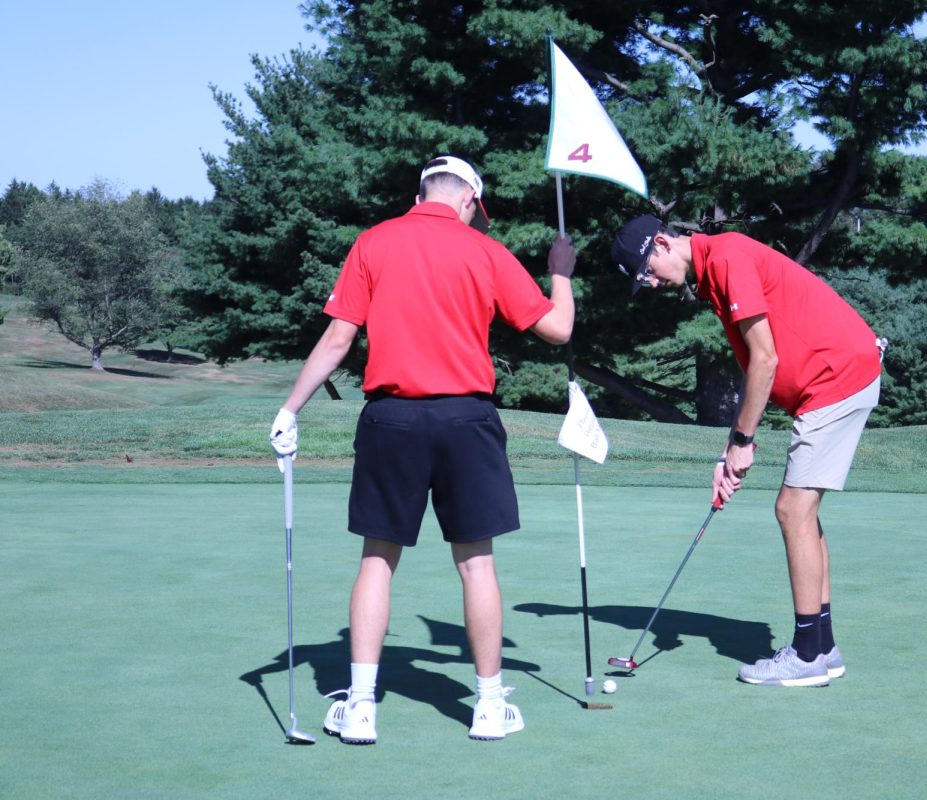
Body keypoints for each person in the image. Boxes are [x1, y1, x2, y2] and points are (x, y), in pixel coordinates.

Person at [270, 155, 577, 742]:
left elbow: (338, 338)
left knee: (378, 559)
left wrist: (289, 409)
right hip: (467, 419)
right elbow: (557, 329)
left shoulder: (373, 242)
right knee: (477, 563)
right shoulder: (484, 251)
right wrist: (560, 270)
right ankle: (488, 706)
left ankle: (361, 706)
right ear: (468, 199)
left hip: (392, 420)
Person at [611, 214, 883, 687]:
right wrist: (729, 449)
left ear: (661, 242)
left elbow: (766, 358)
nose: (652, 284)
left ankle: (806, 656)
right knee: (803, 513)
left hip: (836, 379)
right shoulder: (713, 272)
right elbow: (757, 361)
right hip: (834, 380)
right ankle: (823, 646)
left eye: (648, 271)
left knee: (791, 509)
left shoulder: (727, 257)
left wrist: (743, 443)